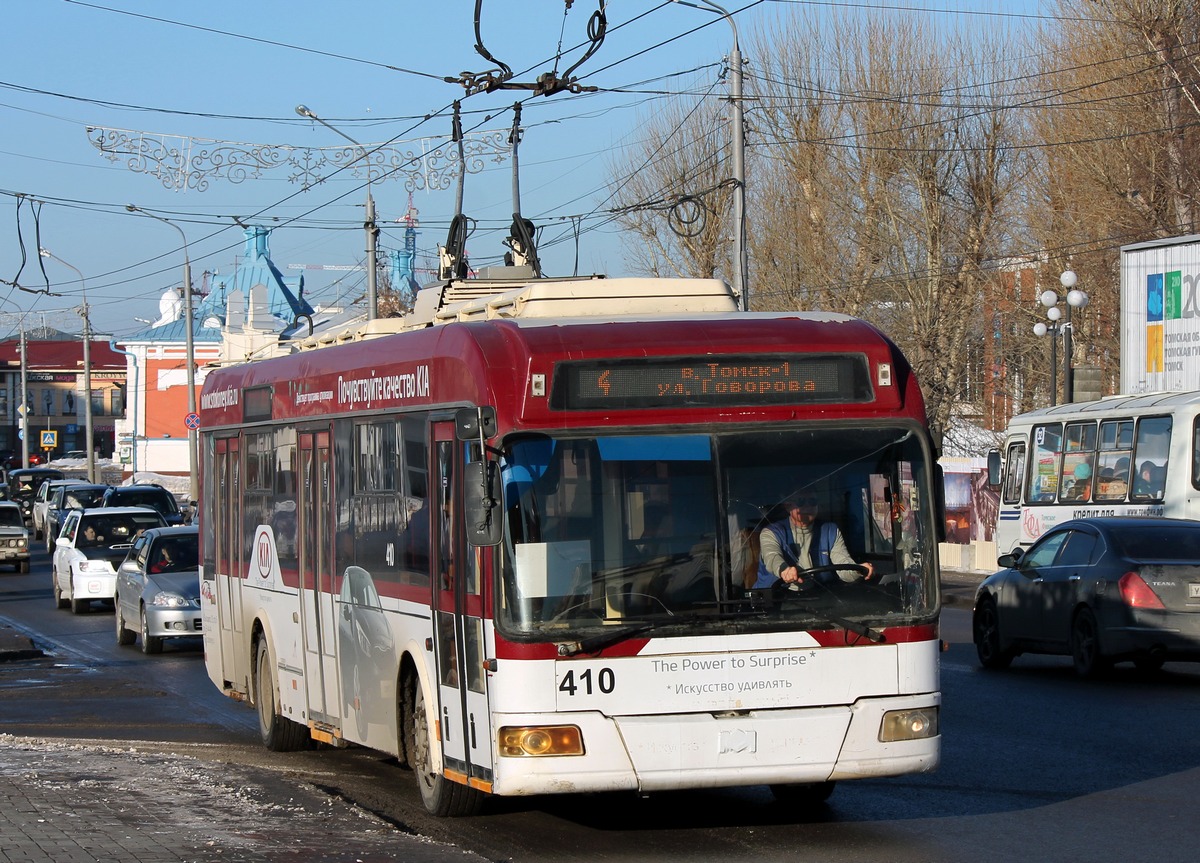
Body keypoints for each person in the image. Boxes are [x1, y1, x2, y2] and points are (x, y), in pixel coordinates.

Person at [754, 494, 874, 589]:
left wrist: (858, 570)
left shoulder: (830, 530)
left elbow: (843, 565)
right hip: (774, 602)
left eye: (812, 502)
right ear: (787, 506)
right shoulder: (771, 532)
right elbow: (772, 557)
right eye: (800, 502)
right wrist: (784, 570)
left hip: (817, 602)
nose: (807, 506)